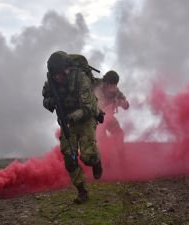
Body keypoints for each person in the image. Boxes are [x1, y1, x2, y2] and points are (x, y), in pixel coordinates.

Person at [42, 51, 103, 204]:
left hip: (85, 117)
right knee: (70, 159)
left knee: (87, 157)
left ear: (67, 70)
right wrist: (50, 102)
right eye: (54, 74)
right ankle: (82, 191)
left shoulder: (81, 79)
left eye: (60, 74)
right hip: (67, 120)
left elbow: (88, 107)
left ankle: (96, 161)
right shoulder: (51, 81)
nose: (57, 77)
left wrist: (72, 116)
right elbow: (45, 97)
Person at [94, 70, 129, 149]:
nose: (113, 87)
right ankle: (105, 157)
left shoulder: (115, 90)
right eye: (111, 84)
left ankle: (121, 157)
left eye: (114, 85)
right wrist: (114, 103)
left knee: (118, 134)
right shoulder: (98, 89)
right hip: (95, 119)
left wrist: (122, 103)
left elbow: (125, 104)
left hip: (108, 117)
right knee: (101, 139)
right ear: (106, 83)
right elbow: (100, 105)